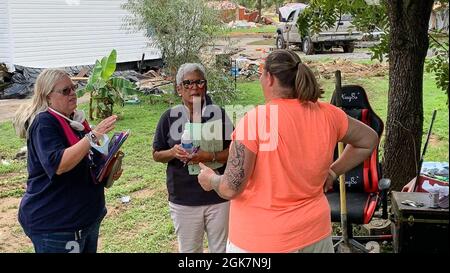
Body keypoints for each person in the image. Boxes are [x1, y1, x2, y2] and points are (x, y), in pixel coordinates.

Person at [197, 49, 379, 253]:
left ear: (270, 78)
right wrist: (334, 171)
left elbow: (231, 188)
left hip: (262, 242)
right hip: (315, 235)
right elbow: (368, 140)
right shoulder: (328, 114)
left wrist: (211, 179)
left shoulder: (255, 120)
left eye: (261, 74)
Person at [13, 69, 120, 253]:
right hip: (57, 226)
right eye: (65, 91)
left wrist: (109, 169)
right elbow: (59, 165)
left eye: (74, 88)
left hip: (85, 220)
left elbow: (86, 161)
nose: (73, 93)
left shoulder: (76, 121)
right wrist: (92, 136)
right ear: (48, 97)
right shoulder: (44, 123)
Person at [152, 63, 233, 253]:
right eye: (187, 83)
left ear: (205, 86)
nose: (194, 88)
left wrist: (209, 156)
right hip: (184, 200)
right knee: (190, 251)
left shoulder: (219, 115)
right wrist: (172, 152)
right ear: (179, 89)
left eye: (199, 82)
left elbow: (234, 151)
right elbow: (156, 154)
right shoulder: (169, 117)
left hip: (218, 196)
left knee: (221, 250)